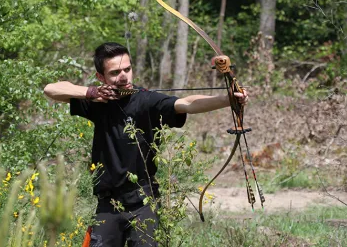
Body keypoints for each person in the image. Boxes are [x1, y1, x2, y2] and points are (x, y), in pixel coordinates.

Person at [43, 42, 248, 247]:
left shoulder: (147, 100)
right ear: (101, 77)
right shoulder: (98, 101)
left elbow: (187, 103)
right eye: (115, 72)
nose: (123, 76)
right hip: (108, 203)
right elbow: (51, 89)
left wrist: (228, 98)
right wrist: (91, 93)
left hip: (143, 201)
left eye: (127, 69)